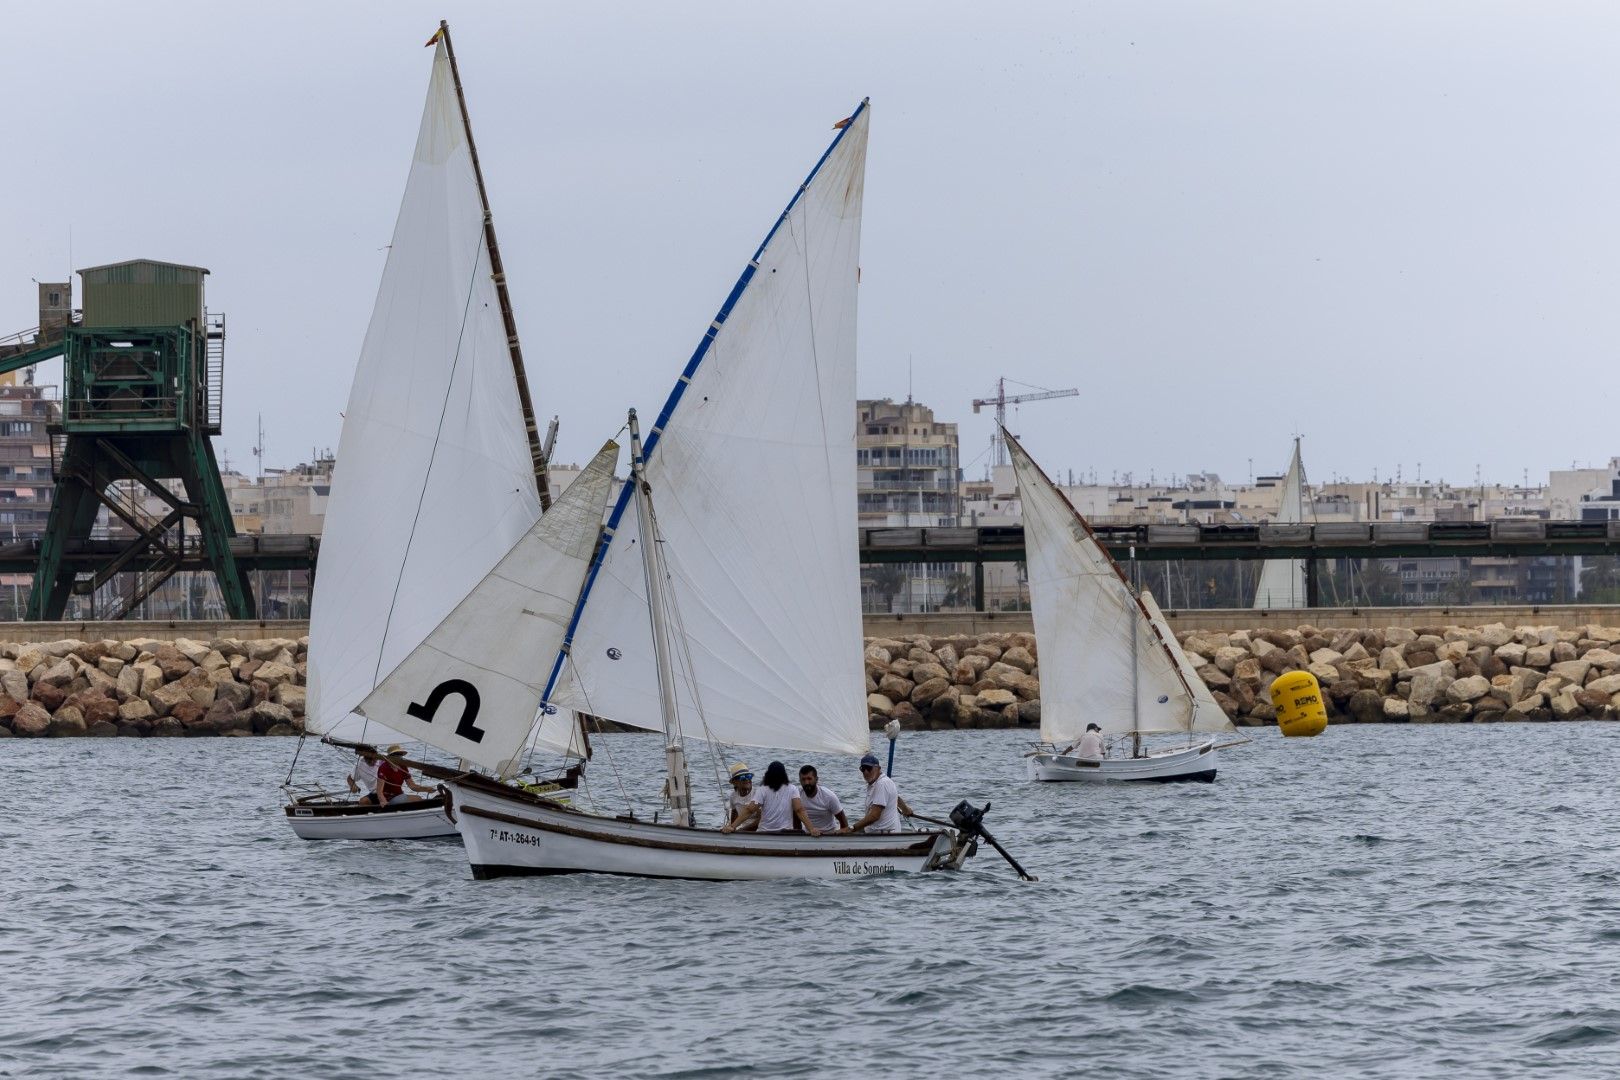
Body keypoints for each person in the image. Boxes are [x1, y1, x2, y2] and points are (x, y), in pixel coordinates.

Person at [847, 753, 913, 834]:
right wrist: (905, 809)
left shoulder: (882, 784)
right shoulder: (879, 782)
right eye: (863, 769)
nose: (866, 772)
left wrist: (852, 828)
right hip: (875, 831)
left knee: (848, 831)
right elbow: (895, 797)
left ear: (878, 768)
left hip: (884, 835)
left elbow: (874, 816)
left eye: (869, 768)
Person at [751, 761, 819, 835]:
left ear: (768, 774)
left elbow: (750, 809)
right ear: (784, 774)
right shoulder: (792, 788)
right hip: (786, 833)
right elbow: (799, 810)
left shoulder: (762, 789)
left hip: (763, 832)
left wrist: (735, 825)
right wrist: (812, 829)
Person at [795, 765, 848, 834]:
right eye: (803, 779)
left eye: (809, 779)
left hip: (829, 834)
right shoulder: (797, 796)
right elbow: (796, 820)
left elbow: (843, 821)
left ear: (816, 779)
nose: (806, 783)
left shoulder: (829, 796)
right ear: (800, 781)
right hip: (808, 835)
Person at [722, 762, 761, 832]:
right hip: (742, 832)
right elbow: (733, 821)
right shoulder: (733, 796)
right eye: (742, 777)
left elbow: (761, 820)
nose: (747, 779)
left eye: (748, 776)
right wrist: (730, 828)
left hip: (758, 831)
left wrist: (742, 830)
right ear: (735, 782)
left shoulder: (758, 794)